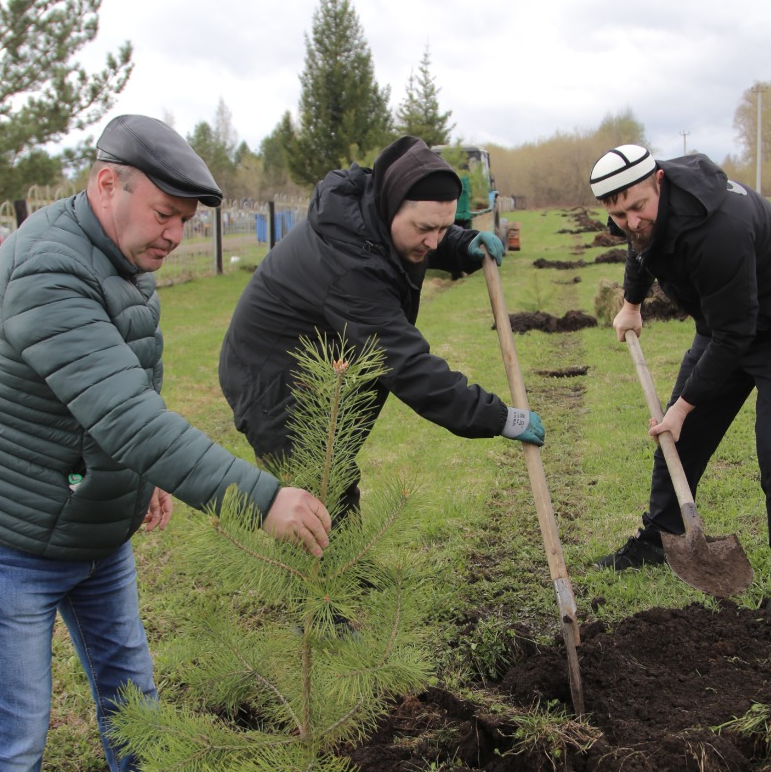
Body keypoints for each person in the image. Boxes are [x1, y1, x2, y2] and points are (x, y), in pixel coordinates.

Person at [0, 114, 331, 772]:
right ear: (107, 183)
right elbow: (124, 414)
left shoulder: (120, 258)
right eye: (166, 215)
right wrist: (260, 498)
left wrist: (141, 475)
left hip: (92, 522)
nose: (176, 235)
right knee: (20, 719)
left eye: (185, 222)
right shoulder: (47, 269)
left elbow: (118, 390)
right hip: (11, 532)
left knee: (127, 675)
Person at [218, 135, 544, 503]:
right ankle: (330, 560)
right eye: (426, 230)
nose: (434, 241)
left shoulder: (369, 218)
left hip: (320, 367)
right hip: (274, 384)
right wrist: (498, 417)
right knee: (319, 499)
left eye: (443, 228)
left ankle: (341, 559)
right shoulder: (349, 268)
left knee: (331, 486)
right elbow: (408, 367)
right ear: (392, 207)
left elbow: (423, 235)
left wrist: (461, 244)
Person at [589, 143, 771, 615]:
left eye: (638, 207)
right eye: (618, 214)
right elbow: (640, 249)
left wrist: (683, 407)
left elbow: (736, 336)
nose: (631, 221)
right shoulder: (638, 215)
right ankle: (661, 537)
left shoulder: (721, 226)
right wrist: (632, 304)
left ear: (659, 180)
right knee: (677, 440)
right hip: (724, 322)